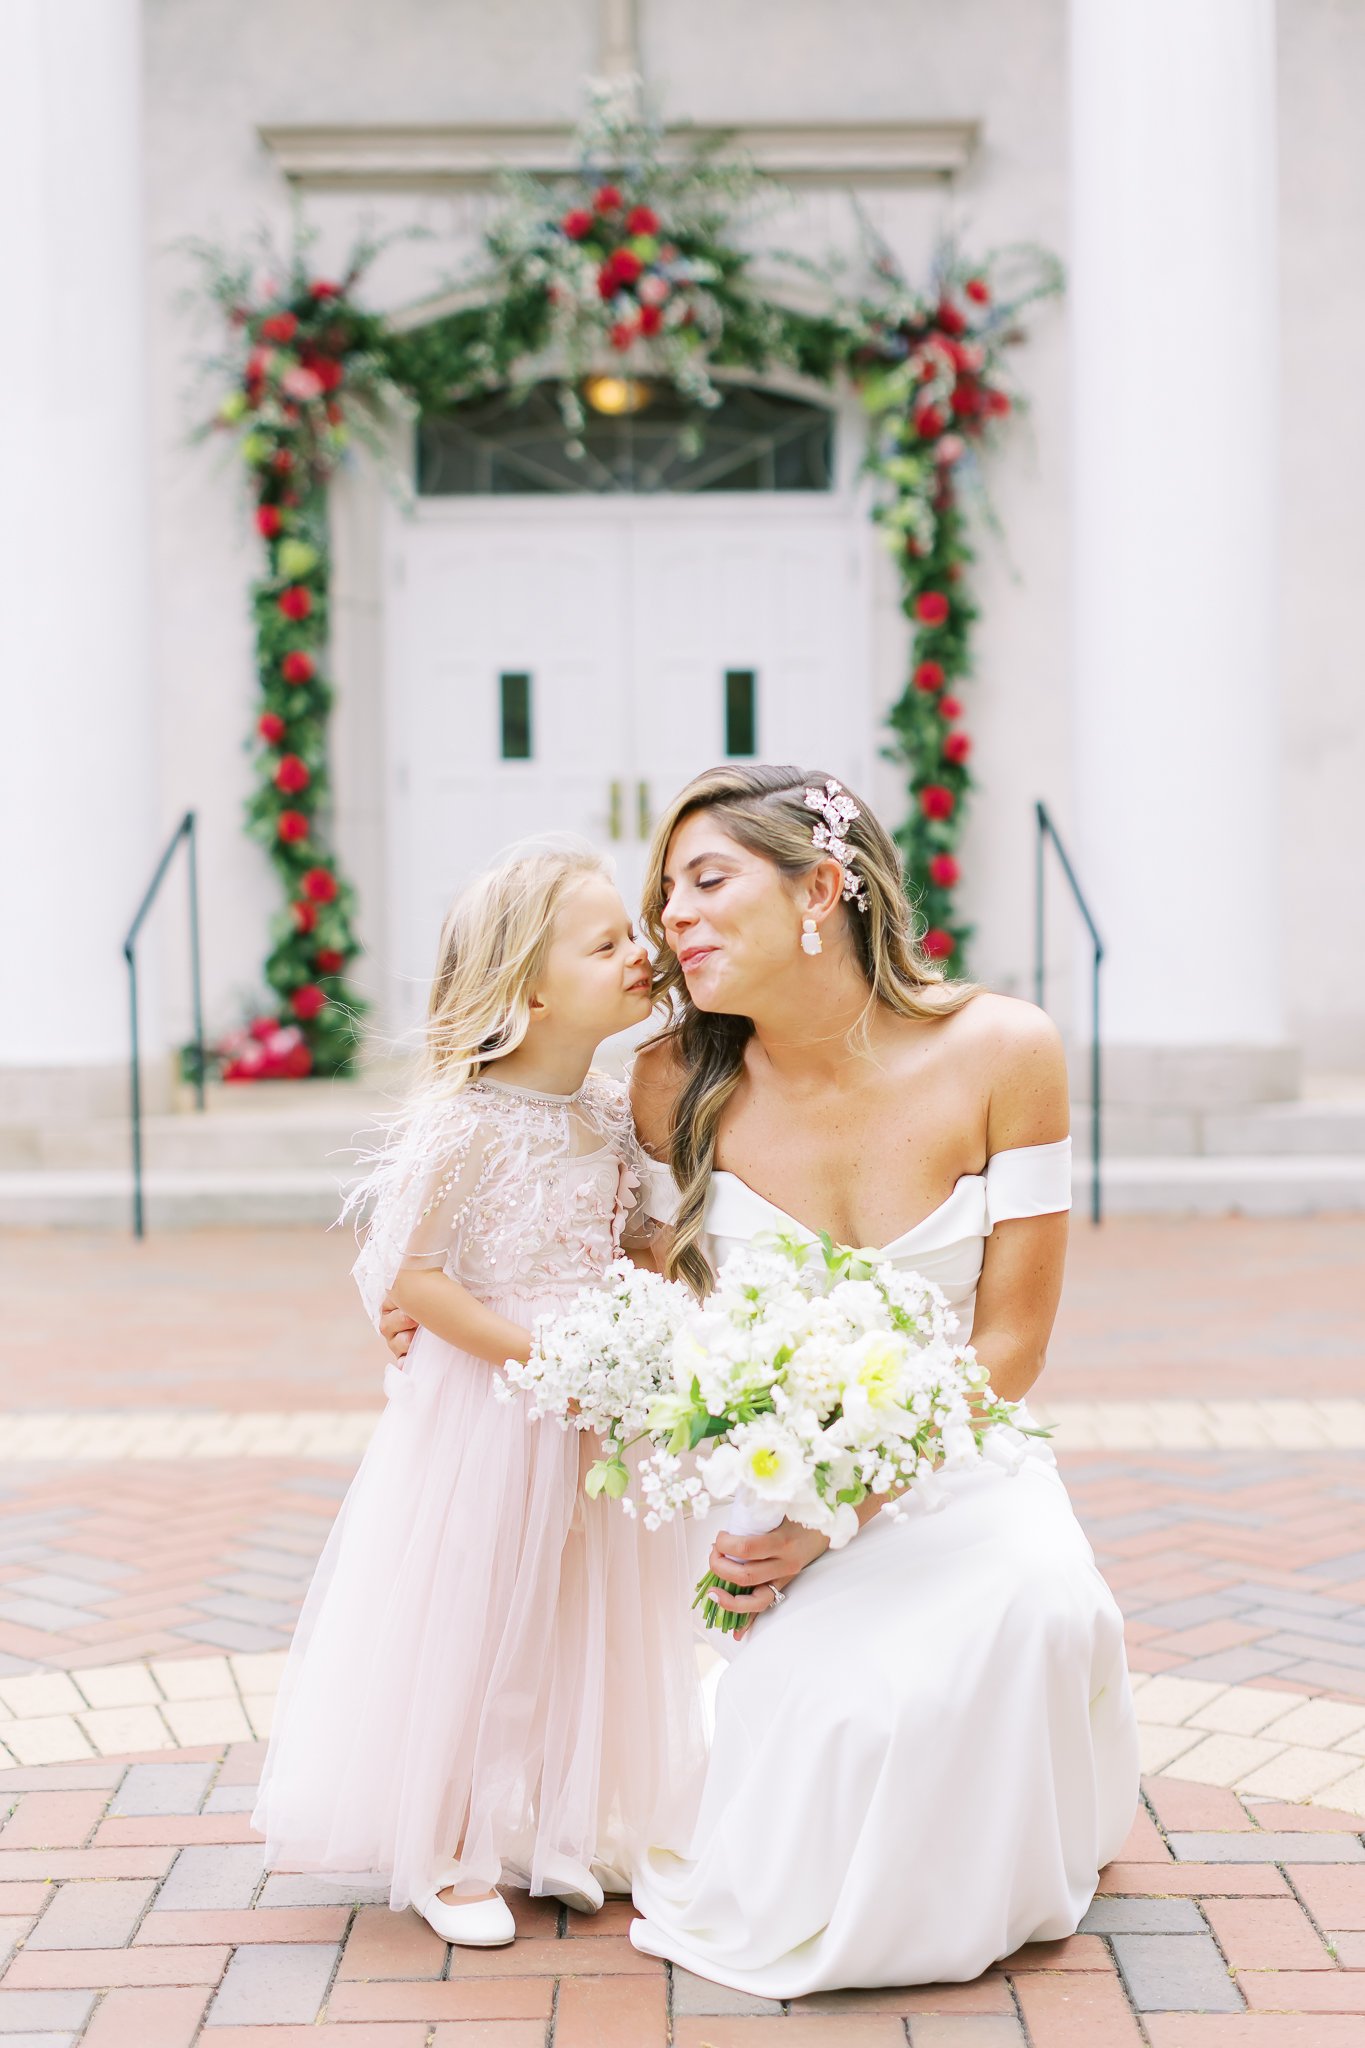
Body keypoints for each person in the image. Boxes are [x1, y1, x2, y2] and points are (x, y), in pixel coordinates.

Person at [621, 762, 1140, 1996]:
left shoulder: (1004, 1050)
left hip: (959, 1466)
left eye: (707, 880)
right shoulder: (664, 1085)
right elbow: (585, 1251)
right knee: (837, 1717)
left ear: (824, 889)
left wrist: (840, 1510)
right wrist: (418, 1283)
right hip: (758, 1478)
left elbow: (1010, 1349)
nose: (672, 918)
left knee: (1037, 1609)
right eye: (663, 895)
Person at [253, 842, 705, 1949]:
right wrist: (540, 1357)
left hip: (590, 1407)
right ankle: (450, 1843)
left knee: (580, 1611)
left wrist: (649, 1292)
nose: (640, 951)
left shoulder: (606, 1113)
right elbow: (413, 1272)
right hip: (494, 1413)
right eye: (608, 942)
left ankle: (561, 1826)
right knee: (478, 1613)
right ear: (532, 988)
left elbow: (634, 1239)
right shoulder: (466, 1121)